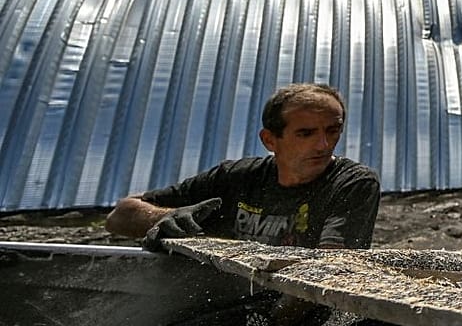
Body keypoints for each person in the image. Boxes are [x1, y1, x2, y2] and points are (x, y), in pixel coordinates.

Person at [106, 82, 380, 251]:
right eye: (306, 134)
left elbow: (330, 271)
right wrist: (165, 218)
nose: (323, 145)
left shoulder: (351, 184)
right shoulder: (236, 177)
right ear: (270, 140)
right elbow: (119, 215)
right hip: (222, 301)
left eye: (332, 131)